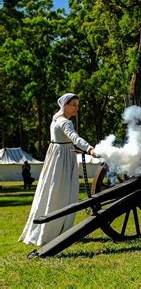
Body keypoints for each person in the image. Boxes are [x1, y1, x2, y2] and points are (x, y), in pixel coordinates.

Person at [19, 93, 95, 246]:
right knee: (62, 192)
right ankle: (57, 230)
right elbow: (75, 138)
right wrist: (90, 149)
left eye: (78, 105)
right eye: (74, 105)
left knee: (52, 190)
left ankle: (51, 228)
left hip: (58, 156)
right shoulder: (65, 122)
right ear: (64, 105)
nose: (77, 109)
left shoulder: (55, 119)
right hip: (63, 161)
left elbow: (65, 141)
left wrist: (74, 149)